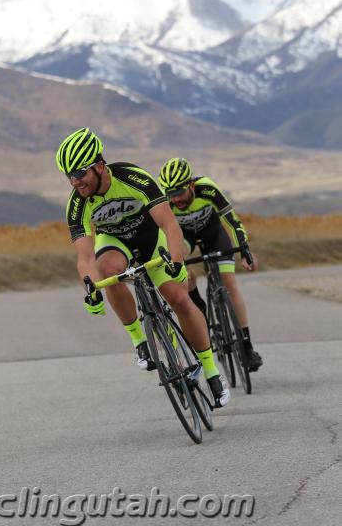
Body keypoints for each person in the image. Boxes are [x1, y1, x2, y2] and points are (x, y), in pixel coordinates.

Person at [55, 127, 231, 407]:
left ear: (100, 166)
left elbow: (169, 224)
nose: (74, 182)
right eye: (69, 176)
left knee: (180, 300)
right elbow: (85, 258)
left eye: (80, 173)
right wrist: (91, 289)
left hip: (151, 236)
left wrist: (175, 260)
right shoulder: (77, 205)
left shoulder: (133, 178)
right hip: (115, 240)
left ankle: (211, 372)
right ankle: (140, 339)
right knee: (106, 270)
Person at [158, 157, 263, 372]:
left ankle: (247, 346)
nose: (176, 199)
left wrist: (244, 249)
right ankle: (199, 307)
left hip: (214, 234)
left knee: (229, 282)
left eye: (179, 192)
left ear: (191, 185)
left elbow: (232, 221)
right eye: (171, 194)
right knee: (184, 275)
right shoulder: (166, 201)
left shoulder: (207, 188)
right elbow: (165, 236)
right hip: (184, 238)